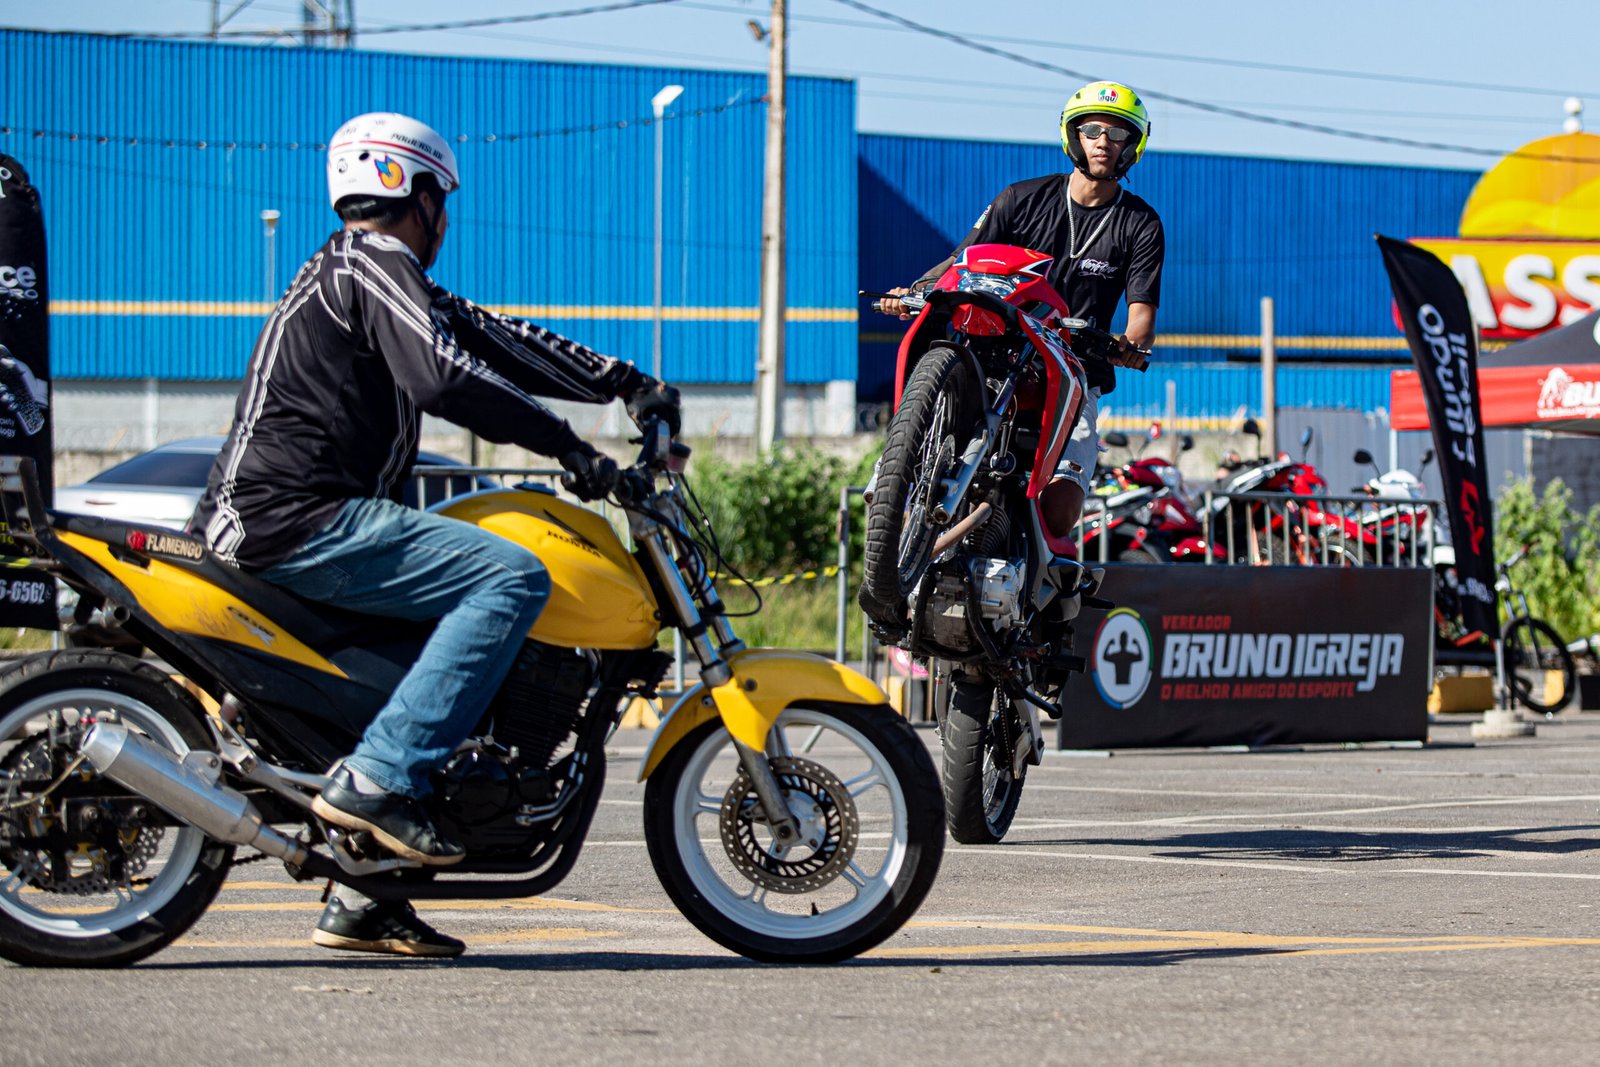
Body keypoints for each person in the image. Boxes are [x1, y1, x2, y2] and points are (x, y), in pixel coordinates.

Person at [190, 112, 680, 957]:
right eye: (438, 199)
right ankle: (379, 779)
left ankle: (363, 895)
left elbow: (492, 337)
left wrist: (627, 383)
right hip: (296, 517)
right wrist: (572, 451)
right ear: (414, 194)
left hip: (301, 517)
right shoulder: (373, 259)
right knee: (508, 578)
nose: (442, 218)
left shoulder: (368, 273)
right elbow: (445, 373)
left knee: (432, 665)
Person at [880, 80, 1164, 537]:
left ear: (1134, 145)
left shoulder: (1140, 222)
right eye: (1092, 130)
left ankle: (1051, 572)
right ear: (1073, 135)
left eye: (1118, 135)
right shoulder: (1021, 197)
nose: (1103, 143)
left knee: (1061, 507)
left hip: (1075, 370)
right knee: (925, 426)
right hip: (997, 354)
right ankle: (891, 492)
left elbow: (1142, 314)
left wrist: (1128, 344)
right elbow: (962, 260)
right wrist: (915, 290)